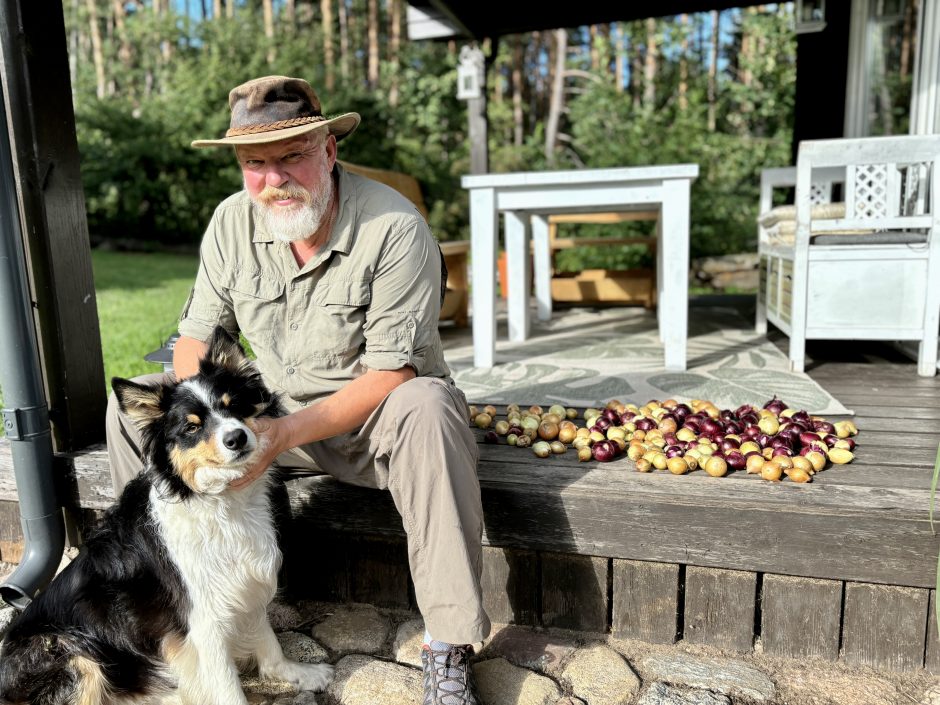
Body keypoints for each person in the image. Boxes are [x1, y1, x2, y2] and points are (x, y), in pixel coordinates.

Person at [105, 75, 489, 705]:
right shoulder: (232, 221)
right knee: (140, 409)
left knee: (429, 406)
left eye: (292, 156)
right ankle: (173, 603)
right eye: (255, 163)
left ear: (329, 151)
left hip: (373, 422)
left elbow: (393, 372)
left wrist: (279, 435)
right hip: (271, 417)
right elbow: (195, 338)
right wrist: (193, 403)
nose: (273, 178)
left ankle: (447, 645)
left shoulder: (395, 227)